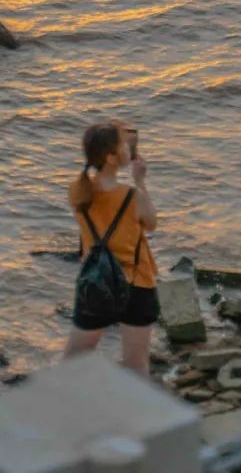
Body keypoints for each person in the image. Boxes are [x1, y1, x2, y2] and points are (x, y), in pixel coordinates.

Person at [63, 120, 159, 374]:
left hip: (95, 281)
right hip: (136, 282)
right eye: (124, 145)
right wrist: (140, 181)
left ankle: (62, 397)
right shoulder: (132, 196)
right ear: (111, 157)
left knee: (74, 359)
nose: (129, 148)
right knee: (136, 365)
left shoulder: (76, 192)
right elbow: (151, 223)